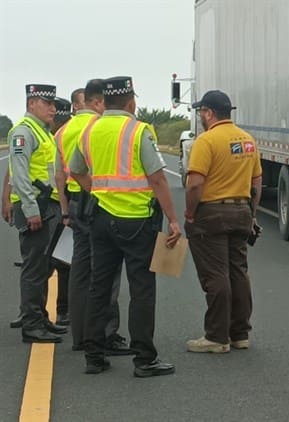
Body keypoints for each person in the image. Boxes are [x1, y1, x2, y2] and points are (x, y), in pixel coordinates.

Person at [69, 76, 181, 377]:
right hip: (136, 221)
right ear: (130, 101)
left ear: (104, 101)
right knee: (142, 288)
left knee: (99, 286)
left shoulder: (90, 129)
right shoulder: (138, 130)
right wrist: (172, 219)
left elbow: (75, 170)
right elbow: (158, 178)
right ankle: (144, 358)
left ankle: (94, 356)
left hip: (100, 219)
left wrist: (97, 190)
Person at [184, 90, 262, 353]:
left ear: (208, 112)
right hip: (241, 210)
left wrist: (190, 213)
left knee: (215, 274)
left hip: (212, 213)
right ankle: (240, 333)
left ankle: (217, 337)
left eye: (201, 112)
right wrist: (251, 213)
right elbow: (256, 182)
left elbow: (195, 183)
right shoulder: (247, 140)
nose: (200, 117)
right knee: (238, 271)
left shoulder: (206, 142)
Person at [56, 81, 130, 354]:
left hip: (75, 202)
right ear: (97, 102)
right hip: (97, 200)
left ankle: (80, 335)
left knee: (79, 269)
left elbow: (59, 174)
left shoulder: (64, 130)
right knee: (106, 271)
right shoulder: (96, 128)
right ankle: (104, 335)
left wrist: (65, 210)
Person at [8, 84, 70, 343]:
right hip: (36, 208)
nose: (53, 110)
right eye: (48, 104)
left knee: (44, 265)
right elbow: (20, 174)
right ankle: (32, 324)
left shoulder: (42, 132)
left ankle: (40, 316)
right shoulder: (23, 132)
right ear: (32, 103)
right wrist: (32, 210)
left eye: (54, 105)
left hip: (48, 206)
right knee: (34, 268)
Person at [50, 97, 72, 326]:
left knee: (62, 262)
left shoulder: (59, 136)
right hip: (63, 202)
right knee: (64, 261)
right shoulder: (64, 134)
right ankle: (64, 310)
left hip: (61, 204)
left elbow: (60, 175)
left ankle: (63, 310)